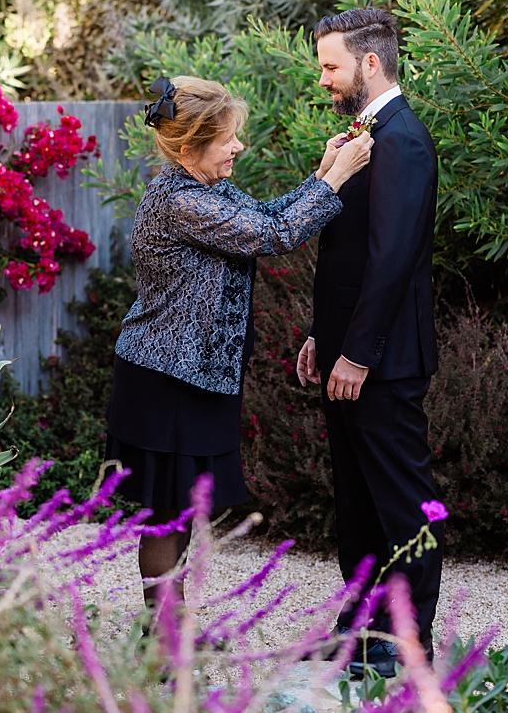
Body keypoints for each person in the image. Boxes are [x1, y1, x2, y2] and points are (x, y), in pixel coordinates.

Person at [107, 75, 372, 610]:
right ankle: (165, 644)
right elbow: (272, 237)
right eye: (226, 139)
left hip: (195, 375)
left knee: (181, 511)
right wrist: (337, 179)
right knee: (167, 514)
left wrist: (322, 173)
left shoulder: (205, 188)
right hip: (166, 379)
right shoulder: (179, 200)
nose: (238, 148)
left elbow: (267, 218)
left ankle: (170, 632)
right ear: (188, 148)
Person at [295, 7, 442, 679]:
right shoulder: (364, 132)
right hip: (345, 353)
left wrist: (357, 353)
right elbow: (349, 256)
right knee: (354, 504)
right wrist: (324, 336)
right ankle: (362, 631)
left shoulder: (403, 139)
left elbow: (392, 259)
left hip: (381, 363)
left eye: (330, 65)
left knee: (401, 504)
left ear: (370, 63)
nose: (323, 78)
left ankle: (408, 644)